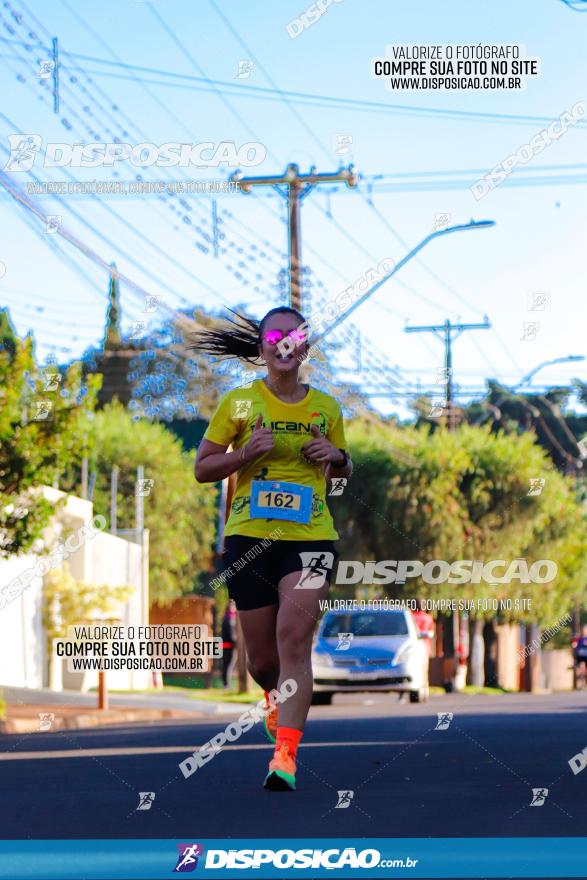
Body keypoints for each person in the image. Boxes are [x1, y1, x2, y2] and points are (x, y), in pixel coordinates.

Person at [193, 307, 352, 791]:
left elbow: (343, 469)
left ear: (304, 347)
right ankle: (274, 698)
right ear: (262, 347)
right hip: (249, 539)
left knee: (293, 639)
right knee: (263, 663)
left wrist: (338, 457)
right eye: (275, 336)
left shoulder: (326, 407)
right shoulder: (239, 404)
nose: (284, 344)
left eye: (295, 336)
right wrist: (247, 453)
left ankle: (285, 756)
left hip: (311, 539)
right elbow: (203, 468)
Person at [221, 600, 237, 689]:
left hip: (227, 645)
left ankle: (226, 684)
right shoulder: (229, 618)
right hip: (229, 645)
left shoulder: (228, 617)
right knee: (228, 665)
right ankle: (226, 684)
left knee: (227, 665)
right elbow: (231, 634)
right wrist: (235, 642)